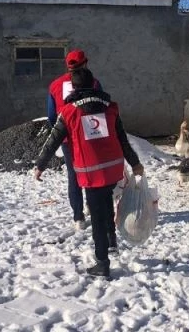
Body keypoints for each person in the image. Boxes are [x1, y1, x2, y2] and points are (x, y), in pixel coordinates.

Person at [35, 68, 143, 278]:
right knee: (107, 203)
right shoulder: (110, 108)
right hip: (112, 168)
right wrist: (135, 163)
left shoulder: (68, 112)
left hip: (91, 172)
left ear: (73, 88)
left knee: (97, 215)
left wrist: (40, 165)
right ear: (93, 84)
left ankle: (102, 262)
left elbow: (53, 141)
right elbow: (122, 138)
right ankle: (111, 241)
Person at [47, 49, 103, 230]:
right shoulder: (94, 83)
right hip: (91, 135)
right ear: (85, 63)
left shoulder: (55, 85)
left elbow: (51, 116)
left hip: (67, 139)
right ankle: (92, 207)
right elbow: (102, 108)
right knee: (92, 172)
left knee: (74, 175)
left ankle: (78, 217)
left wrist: (61, 132)